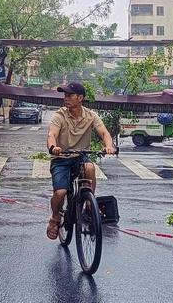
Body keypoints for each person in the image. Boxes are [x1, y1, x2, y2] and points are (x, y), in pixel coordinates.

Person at [45, 82, 115, 240]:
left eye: (70, 95)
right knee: (60, 192)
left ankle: (90, 203)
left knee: (90, 168)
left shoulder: (91, 115)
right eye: (65, 95)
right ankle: (55, 218)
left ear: (80, 98)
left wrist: (109, 146)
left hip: (80, 155)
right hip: (61, 158)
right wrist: (53, 146)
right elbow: (52, 135)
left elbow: (104, 133)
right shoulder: (60, 115)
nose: (66, 98)